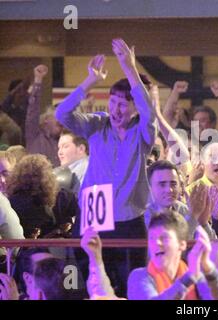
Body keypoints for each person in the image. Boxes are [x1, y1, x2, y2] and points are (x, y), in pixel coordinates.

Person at [55, 39, 156, 296]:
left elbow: (149, 112)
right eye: (112, 102)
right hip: (94, 216)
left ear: (134, 109)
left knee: (133, 284)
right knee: (94, 282)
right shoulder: (96, 125)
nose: (115, 109)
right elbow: (62, 114)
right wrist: (89, 81)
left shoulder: (144, 132)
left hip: (130, 220)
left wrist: (129, 68)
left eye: (123, 104)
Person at [127, 211, 218, 300]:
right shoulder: (138, 277)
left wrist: (208, 268)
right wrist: (188, 277)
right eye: (152, 238)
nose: (157, 243)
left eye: (164, 238)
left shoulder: (195, 277)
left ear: (182, 244)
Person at [145, 160, 215, 239]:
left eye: (173, 184)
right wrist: (192, 217)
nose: (169, 190)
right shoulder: (144, 217)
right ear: (150, 188)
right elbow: (175, 247)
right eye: (162, 184)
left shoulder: (184, 210)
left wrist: (203, 223)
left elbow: (214, 247)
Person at [25, 65, 63, 167]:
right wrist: (38, 80)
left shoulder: (65, 141)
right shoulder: (34, 134)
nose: (61, 121)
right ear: (46, 119)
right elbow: (33, 111)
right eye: (57, 117)